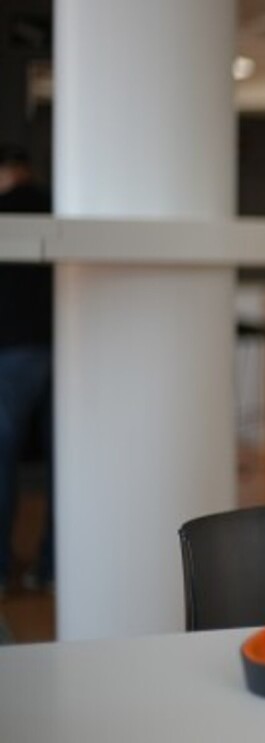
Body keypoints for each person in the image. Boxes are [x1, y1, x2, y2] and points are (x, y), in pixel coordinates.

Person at [0, 144, 54, 599]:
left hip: (13, 350)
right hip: (65, 352)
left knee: (1, 461)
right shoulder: (58, 205)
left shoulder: (5, 213)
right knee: (65, 467)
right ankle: (53, 566)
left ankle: (0, 568)